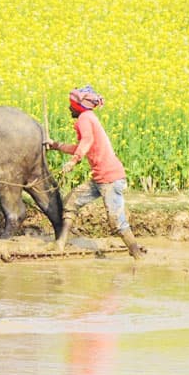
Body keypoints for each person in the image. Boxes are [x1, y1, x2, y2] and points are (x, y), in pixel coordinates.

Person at [44, 85, 144, 258]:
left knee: (116, 222)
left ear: (78, 108)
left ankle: (137, 255)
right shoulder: (88, 117)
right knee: (71, 202)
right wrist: (56, 145)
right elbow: (82, 145)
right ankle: (60, 243)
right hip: (100, 179)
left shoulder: (84, 118)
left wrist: (73, 161)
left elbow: (87, 141)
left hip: (110, 179)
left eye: (71, 106)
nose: (69, 109)